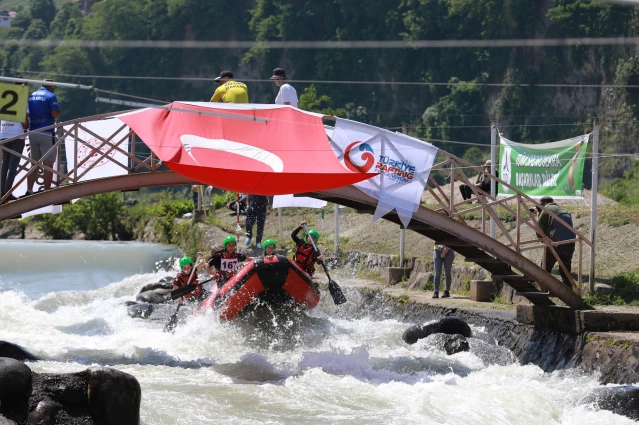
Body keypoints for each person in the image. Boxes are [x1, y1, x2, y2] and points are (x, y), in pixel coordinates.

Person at [26, 79, 61, 195]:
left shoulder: (31, 96)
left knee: (34, 164)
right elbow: (55, 113)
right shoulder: (51, 96)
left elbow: (27, 113)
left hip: (32, 132)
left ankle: (29, 190)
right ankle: (46, 191)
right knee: (48, 163)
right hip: (47, 132)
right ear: (50, 86)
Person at [537, 196, 576, 288]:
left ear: (543, 204)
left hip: (556, 243)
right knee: (565, 269)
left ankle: (544, 288)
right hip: (570, 242)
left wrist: (538, 214)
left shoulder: (546, 208)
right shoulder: (562, 209)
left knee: (545, 268)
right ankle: (569, 292)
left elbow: (539, 229)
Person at [0, 84, 29, 202]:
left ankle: (1, 191)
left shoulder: (3, 97)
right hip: (17, 135)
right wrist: (26, 129)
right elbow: (24, 121)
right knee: (12, 166)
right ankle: (7, 193)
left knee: (4, 164)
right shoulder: (22, 100)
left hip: (3, 135)